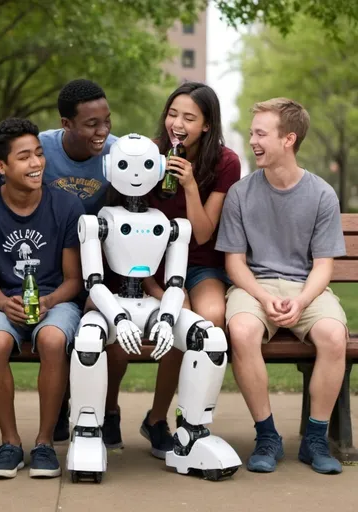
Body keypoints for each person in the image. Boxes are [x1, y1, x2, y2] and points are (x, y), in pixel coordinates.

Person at [101, 82, 241, 460]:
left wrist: (191, 184)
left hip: (198, 262)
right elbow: (128, 230)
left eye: (189, 118)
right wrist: (152, 285)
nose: (177, 123)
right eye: (173, 114)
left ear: (207, 125)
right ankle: (109, 410)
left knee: (207, 319)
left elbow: (205, 232)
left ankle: (159, 418)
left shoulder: (224, 162)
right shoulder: (148, 153)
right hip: (147, 264)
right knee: (164, 315)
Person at [216, 98, 347, 475]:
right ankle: (267, 436)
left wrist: (303, 300)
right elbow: (234, 263)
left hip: (306, 287)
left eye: (261, 133)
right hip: (254, 286)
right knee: (241, 331)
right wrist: (262, 296)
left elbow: (324, 266)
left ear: (288, 139)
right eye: (253, 132)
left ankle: (316, 440)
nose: (253, 140)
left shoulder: (322, 194)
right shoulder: (241, 193)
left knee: (334, 336)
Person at [0, 118, 84, 479]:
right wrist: (6, 305)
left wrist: (48, 303)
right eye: (24, 157)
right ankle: (9, 443)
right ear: (1, 167)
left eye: (39, 154)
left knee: (52, 339)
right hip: (4, 302)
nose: (36, 163)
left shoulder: (66, 207)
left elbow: (73, 281)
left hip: (55, 301)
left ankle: (44, 443)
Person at [0, 78, 116, 216]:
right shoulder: (37, 148)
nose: (103, 131)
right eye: (92, 124)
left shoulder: (120, 151)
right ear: (66, 124)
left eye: (107, 121)